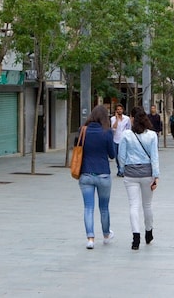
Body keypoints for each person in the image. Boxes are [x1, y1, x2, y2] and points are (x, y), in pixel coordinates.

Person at [118, 106, 159, 250]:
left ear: (133, 118)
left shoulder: (126, 135)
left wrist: (122, 169)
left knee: (133, 205)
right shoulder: (152, 135)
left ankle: (136, 238)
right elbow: (154, 157)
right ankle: (149, 232)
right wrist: (156, 176)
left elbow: (121, 156)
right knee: (147, 205)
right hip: (147, 173)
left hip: (131, 173)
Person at [76, 105, 115, 249]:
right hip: (103, 174)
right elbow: (112, 154)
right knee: (104, 207)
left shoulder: (82, 131)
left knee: (88, 207)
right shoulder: (107, 132)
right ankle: (106, 235)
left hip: (86, 174)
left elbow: (78, 149)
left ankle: (90, 239)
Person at [110, 100, 131, 177]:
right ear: (116, 111)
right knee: (117, 156)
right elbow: (113, 129)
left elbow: (129, 128)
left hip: (124, 140)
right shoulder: (113, 119)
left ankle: (123, 170)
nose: (119, 110)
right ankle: (119, 169)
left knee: (123, 155)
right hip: (116, 139)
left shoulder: (127, 118)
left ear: (123, 110)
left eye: (120, 109)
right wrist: (117, 119)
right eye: (118, 109)